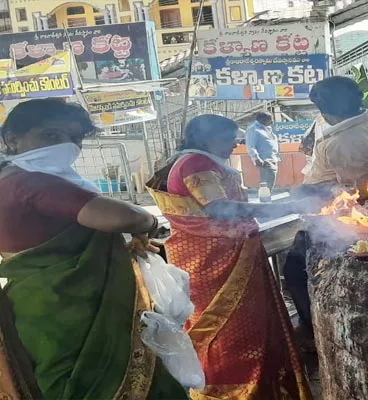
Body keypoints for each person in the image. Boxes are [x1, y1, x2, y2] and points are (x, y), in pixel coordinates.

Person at [0, 99, 187, 399]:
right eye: (50, 136)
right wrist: (150, 223)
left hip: (43, 305)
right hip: (69, 311)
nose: (66, 147)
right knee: (88, 384)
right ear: (12, 139)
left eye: (74, 139)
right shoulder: (31, 183)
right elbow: (119, 217)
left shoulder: (10, 179)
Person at [147, 114, 314, 400]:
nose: (235, 143)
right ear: (203, 138)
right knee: (231, 335)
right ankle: (234, 393)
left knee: (243, 333)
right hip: (215, 264)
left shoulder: (200, 161)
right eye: (228, 138)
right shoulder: (195, 163)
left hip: (224, 257)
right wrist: (284, 207)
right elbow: (219, 208)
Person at [286, 77, 368, 338]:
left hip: (342, 215)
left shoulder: (341, 142)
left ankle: (314, 332)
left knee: (297, 269)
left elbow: (356, 193)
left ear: (325, 109)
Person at [246, 112, 280, 191]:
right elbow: (250, 145)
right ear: (262, 120)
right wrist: (256, 158)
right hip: (264, 161)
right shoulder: (253, 129)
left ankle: (267, 199)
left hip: (273, 159)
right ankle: (265, 200)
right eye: (270, 119)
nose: (272, 122)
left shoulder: (266, 129)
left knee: (270, 183)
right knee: (266, 185)